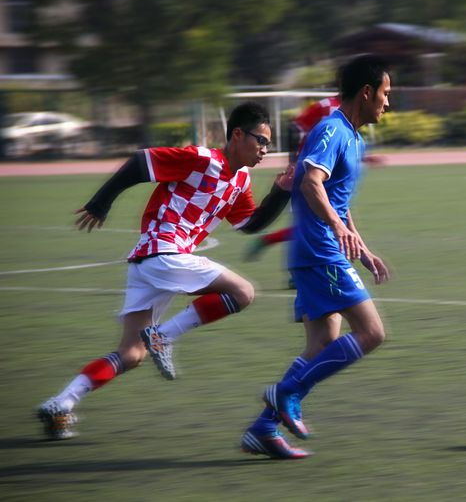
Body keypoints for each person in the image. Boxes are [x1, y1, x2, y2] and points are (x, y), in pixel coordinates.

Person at [36, 101, 298, 446]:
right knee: (243, 292)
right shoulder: (203, 159)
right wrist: (102, 201)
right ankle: (165, 335)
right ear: (237, 135)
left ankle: (61, 403)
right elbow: (140, 162)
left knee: (131, 354)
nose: (265, 149)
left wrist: (281, 192)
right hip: (164, 252)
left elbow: (250, 224)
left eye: (268, 144)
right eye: (261, 141)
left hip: (149, 262)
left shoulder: (240, 179)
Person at [240, 55, 392, 460]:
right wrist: (338, 229)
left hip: (321, 248)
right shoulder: (331, 129)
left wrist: (361, 247)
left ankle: (263, 429)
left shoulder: (354, 138)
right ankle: (286, 393)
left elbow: (337, 199)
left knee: (322, 343)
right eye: (385, 93)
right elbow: (310, 183)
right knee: (372, 332)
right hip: (319, 250)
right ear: (367, 92)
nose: (387, 102)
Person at [244, 94, 385, 264]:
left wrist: (362, 158)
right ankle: (276, 247)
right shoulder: (332, 109)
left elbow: (339, 146)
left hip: (322, 171)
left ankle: (286, 252)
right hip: (313, 173)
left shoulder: (343, 111)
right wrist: (296, 162)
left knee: (320, 220)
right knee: (316, 222)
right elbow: (295, 128)